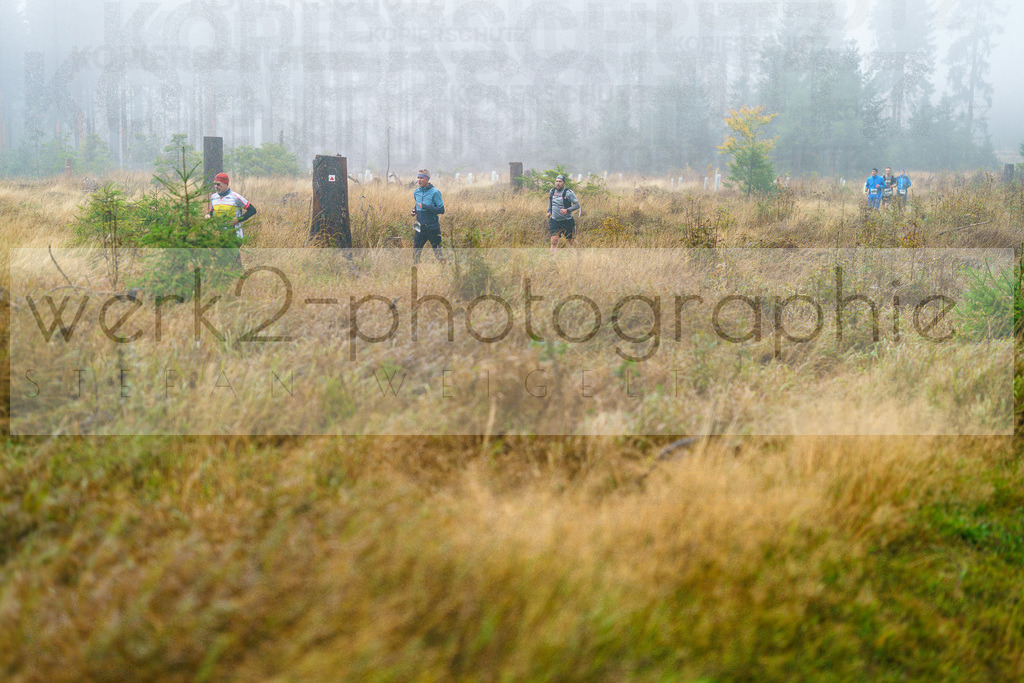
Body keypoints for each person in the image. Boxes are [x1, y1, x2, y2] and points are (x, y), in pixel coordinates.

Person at [410, 169, 445, 263]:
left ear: (427, 179)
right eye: (418, 178)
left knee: (438, 253)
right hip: (419, 226)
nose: (419, 180)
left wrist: (426, 206)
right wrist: (414, 211)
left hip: (432, 227)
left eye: (421, 178)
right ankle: (416, 274)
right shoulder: (416, 192)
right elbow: (417, 204)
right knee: (415, 253)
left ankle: (445, 271)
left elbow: (441, 210)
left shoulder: (435, 192)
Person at [209, 172, 256, 238]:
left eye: (218, 184)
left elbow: (252, 210)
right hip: (220, 235)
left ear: (226, 184)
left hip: (235, 235)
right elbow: (212, 213)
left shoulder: (235, 197)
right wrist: (209, 216)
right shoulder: (213, 197)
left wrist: (238, 219)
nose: (216, 186)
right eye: (215, 184)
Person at [546, 174, 580, 252]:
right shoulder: (552, 191)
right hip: (555, 220)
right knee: (554, 241)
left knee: (571, 241)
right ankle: (552, 261)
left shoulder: (568, 192)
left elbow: (577, 205)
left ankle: (579, 254)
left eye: (560, 181)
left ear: (564, 182)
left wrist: (567, 210)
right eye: (556, 181)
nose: (558, 183)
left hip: (567, 220)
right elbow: (550, 202)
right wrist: (549, 211)